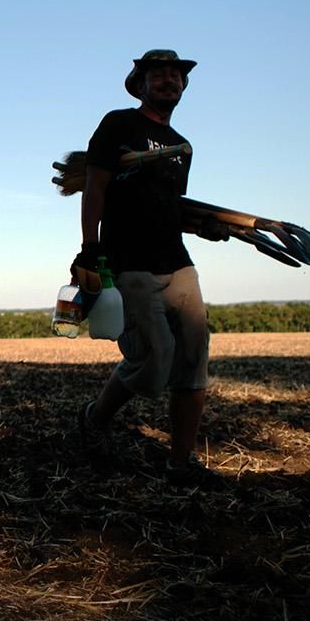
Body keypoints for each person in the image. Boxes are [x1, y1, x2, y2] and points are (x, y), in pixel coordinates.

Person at [72, 50, 230, 486]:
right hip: (129, 263)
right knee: (154, 360)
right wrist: (90, 248)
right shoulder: (119, 125)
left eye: (176, 76)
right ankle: (95, 417)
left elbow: (170, 208)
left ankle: (180, 464)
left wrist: (206, 227)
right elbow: (95, 188)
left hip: (177, 263)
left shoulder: (183, 146)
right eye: (158, 75)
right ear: (139, 85)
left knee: (193, 357)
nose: (169, 81)